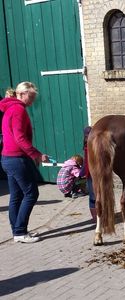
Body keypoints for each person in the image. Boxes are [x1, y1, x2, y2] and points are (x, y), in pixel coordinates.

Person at [0, 81, 49, 243]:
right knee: (31, 193)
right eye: (31, 96)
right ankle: (20, 232)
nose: (33, 100)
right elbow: (19, 138)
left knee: (16, 195)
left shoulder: (11, 108)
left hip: (8, 158)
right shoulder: (17, 110)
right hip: (16, 159)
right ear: (21, 94)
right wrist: (37, 155)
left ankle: (18, 232)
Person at [80, 126, 96, 221]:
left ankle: (96, 218)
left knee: (93, 196)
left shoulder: (87, 145)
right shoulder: (89, 146)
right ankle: (97, 217)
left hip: (90, 173)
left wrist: (81, 173)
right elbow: (86, 162)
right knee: (94, 196)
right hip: (92, 174)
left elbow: (85, 163)